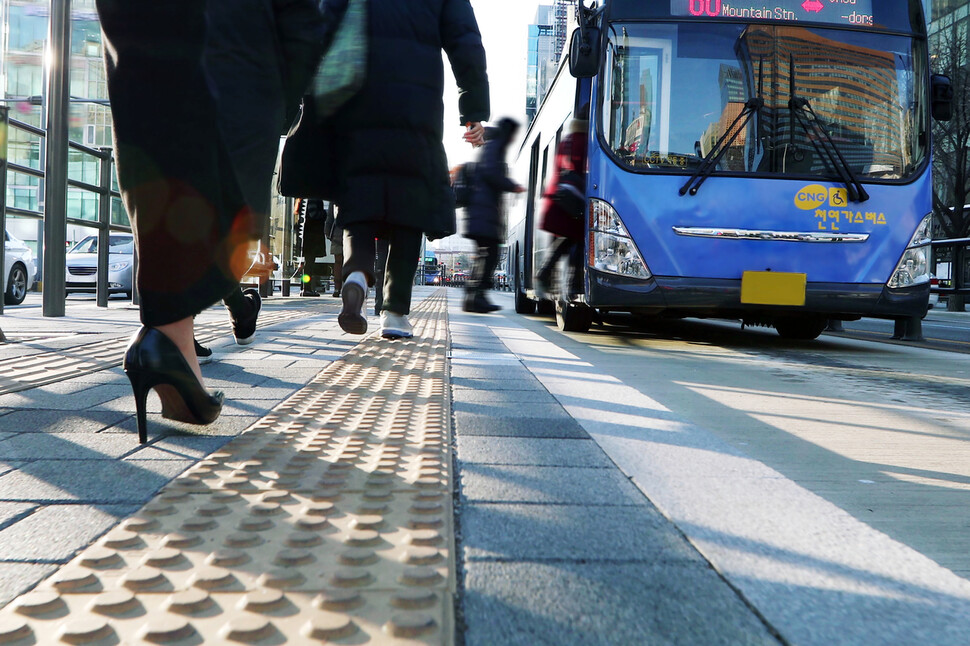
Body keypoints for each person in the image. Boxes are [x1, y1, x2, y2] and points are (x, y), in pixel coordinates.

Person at [96, 0, 330, 443]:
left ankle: (172, 332)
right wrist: (292, 89)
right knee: (235, 212)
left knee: (149, 54)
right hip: (248, 59)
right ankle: (173, 334)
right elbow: (302, 15)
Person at [291, 0, 489, 340]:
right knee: (408, 211)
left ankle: (356, 276)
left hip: (356, 100)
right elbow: (465, 41)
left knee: (358, 199)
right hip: (418, 108)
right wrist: (474, 109)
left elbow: (321, 25)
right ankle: (395, 312)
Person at [462, 117, 525, 313]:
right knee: (490, 255)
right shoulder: (495, 145)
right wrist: (512, 186)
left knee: (484, 255)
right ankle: (477, 297)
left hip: (480, 212)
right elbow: (491, 173)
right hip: (484, 212)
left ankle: (472, 297)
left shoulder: (490, 144)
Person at [536, 112, 589, 298]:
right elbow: (580, 167)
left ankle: (548, 276)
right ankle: (573, 285)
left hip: (560, 199)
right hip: (573, 201)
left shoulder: (567, 139)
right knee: (579, 240)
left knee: (567, 240)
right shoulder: (584, 140)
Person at [294, 197, 329, 296]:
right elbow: (314, 214)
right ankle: (306, 288)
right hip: (312, 235)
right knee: (309, 264)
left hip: (307, 235)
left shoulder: (303, 198)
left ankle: (305, 287)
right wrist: (325, 213)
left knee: (307, 263)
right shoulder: (312, 198)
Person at [324, 204, 344, 297]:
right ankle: (346, 286)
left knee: (338, 262)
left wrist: (328, 232)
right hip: (351, 231)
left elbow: (330, 216)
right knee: (349, 262)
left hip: (337, 232)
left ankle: (337, 288)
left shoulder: (335, 197)